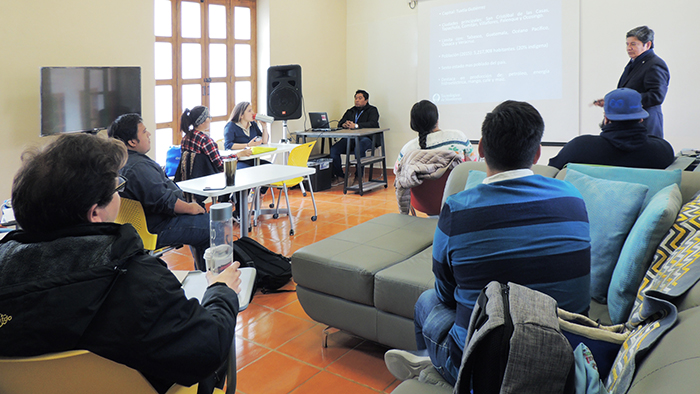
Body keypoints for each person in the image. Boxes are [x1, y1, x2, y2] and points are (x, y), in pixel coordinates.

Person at [0, 133, 241, 394]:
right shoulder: (139, 283)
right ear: (94, 212)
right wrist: (220, 291)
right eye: (117, 189)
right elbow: (207, 349)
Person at [384, 100, 591, 385]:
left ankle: (436, 369)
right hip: (565, 355)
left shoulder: (458, 209)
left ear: (480, 150)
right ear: (538, 153)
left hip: (486, 367)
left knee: (427, 300)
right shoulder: (572, 196)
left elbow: (446, 294)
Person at [108, 113, 210, 271]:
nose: (148, 134)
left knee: (203, 224)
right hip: (158, 226)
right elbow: (165, 201)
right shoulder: (138, 167)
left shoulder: (120, 161)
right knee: (213, 226)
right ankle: (214, 279)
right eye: (144, 131)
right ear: (132, 141)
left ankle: (205, 273)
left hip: (140, 225)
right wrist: (191, 208)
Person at [550, 88, 674, 170]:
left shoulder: (578, 147)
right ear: (641, 118)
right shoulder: (662, 151)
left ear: (606, 118)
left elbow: (552, 172)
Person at [594, 26, 669, 138]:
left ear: (647, 45)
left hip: (645, 125)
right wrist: (612, 101)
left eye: (633, 44)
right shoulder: (635, 62)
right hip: (630, 125)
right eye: (627, 44)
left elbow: (656, 96)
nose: (629, 48)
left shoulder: (654, 64)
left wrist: (624, 101)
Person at [394, 100, 478, 174]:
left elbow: (397, 172)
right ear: (437, 119)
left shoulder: (407, 150)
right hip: (456, 191)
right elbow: (473, 164)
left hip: (422, 192)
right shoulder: (459, 138)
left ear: (413, 124)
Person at [330, 89, 380, 183]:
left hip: (367, 138)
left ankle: (358, 177)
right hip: (351, 138)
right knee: (334, 150)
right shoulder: (351, 111)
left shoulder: (372, 110)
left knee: (359, 148)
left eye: (360, 98)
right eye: (356, 98)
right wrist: (344, 125)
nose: (357, 100)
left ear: (366, 100)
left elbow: (373, 123)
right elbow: (340, 123)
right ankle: (340, 176)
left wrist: (356, 126)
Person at [223, 101, 268, 169]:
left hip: (253, 159)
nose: (253, 113)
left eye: (252, 110)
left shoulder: (253, 124)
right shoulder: (231, 126)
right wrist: (247, 145)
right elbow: (228, 145)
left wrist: (264, 127)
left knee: (270, 167)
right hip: (239, 161)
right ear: (241, 115)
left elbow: (264, 141)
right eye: (249, 111)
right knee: (248, 171)